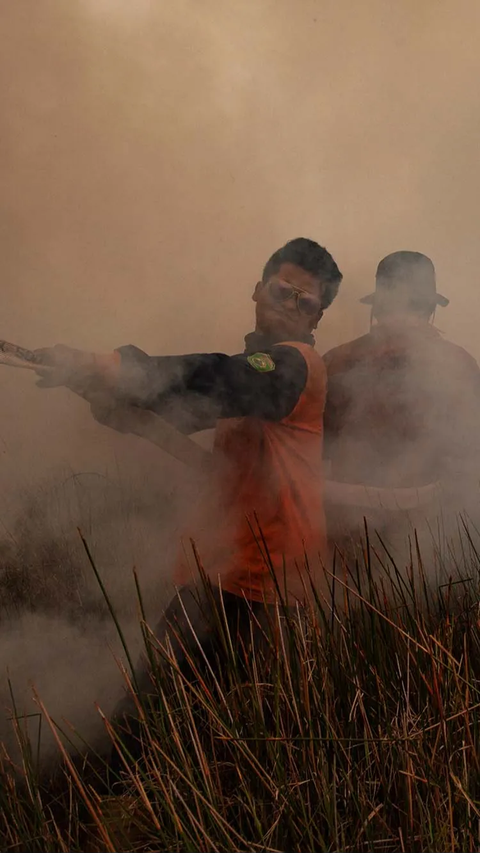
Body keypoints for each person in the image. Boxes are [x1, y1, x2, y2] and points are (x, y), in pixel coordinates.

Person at [34, 237, 343, 740]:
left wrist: (114, 365)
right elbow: (176, 415)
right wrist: (107, 392)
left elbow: (218, 376)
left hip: (268, 591)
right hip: (215, 569)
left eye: (306, 302)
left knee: (213, 737)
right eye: (281, 290)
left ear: (315, 321)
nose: (290, 306)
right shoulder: (252, 370)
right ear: (257, 291)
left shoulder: (297, 366)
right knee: (161, 725)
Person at [322, 250, 480, 570]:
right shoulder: (459, 364)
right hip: (414, 532)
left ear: (377, 306)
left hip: (378, 525)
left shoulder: (335, 361)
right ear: (432, 308)